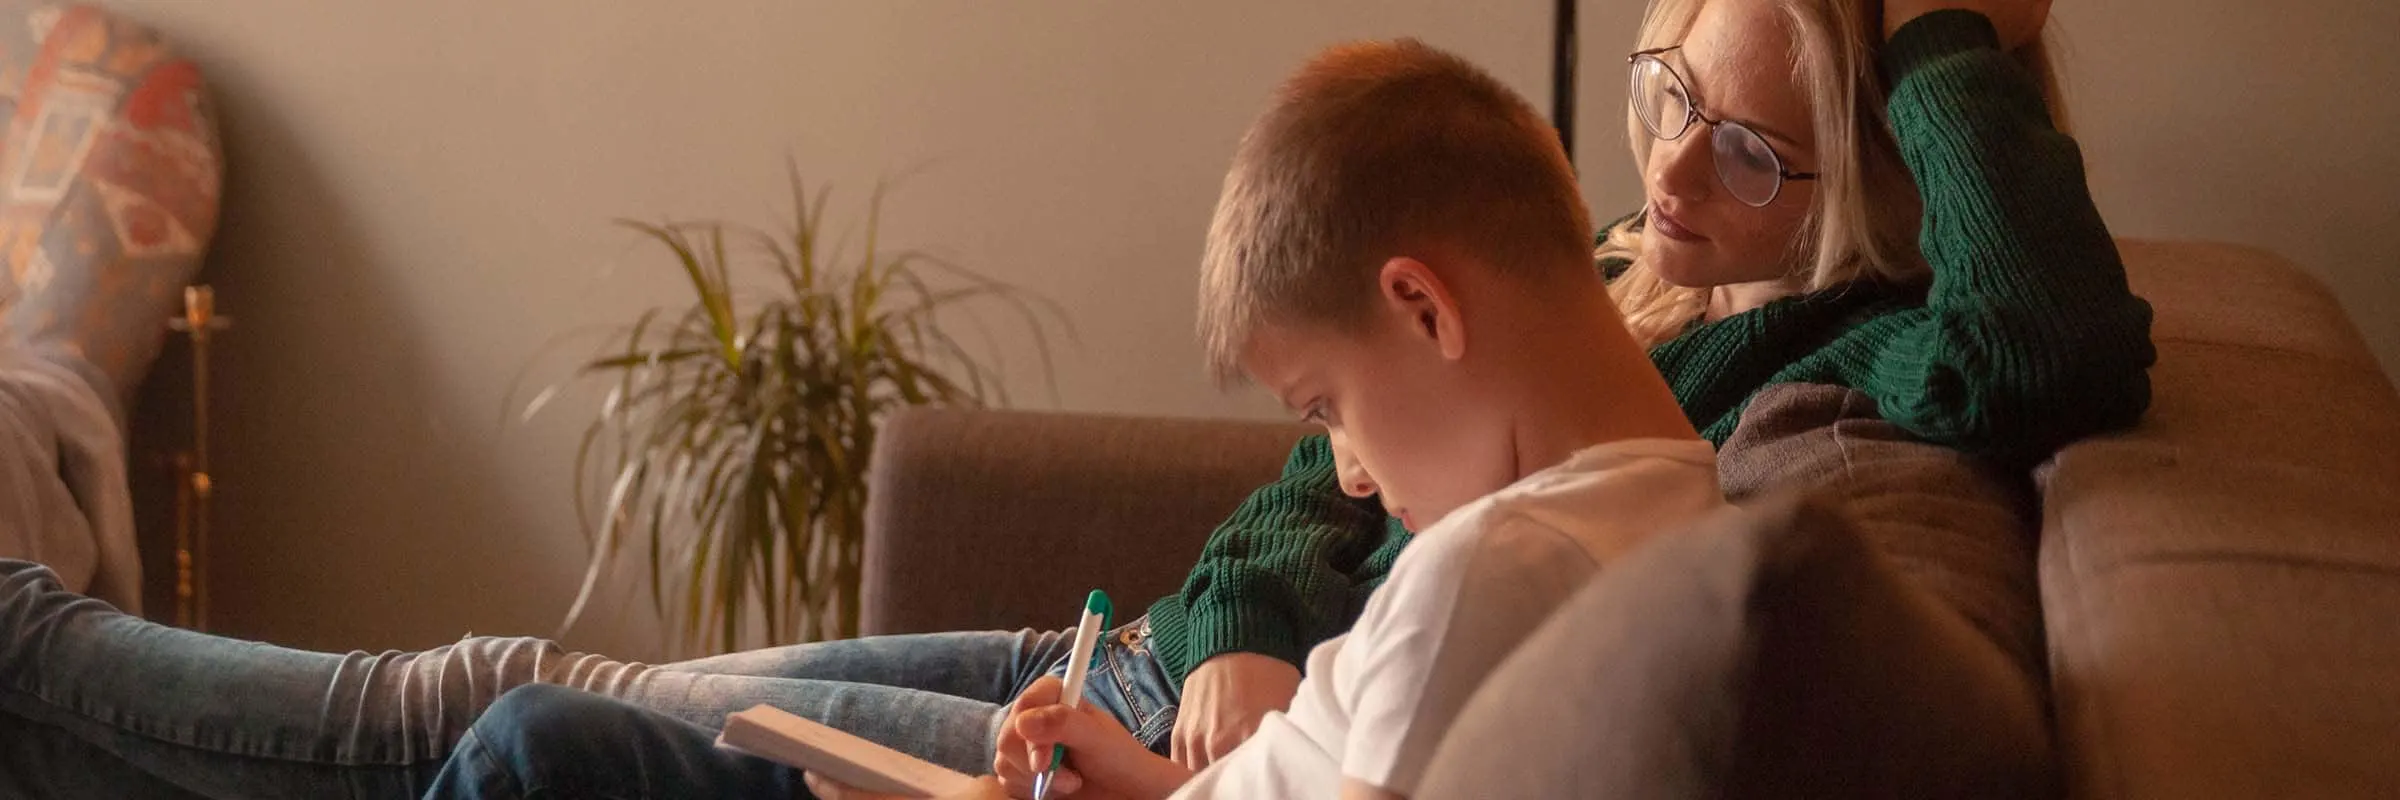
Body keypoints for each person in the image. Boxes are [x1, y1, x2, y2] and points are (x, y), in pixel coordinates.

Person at [0, 0, 2154, 792]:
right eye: (1671, 89)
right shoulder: (1572, 309)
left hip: (1155, 734)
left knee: (511, 703)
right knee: (518, 688)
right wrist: (1221, 646)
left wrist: (1948, 20)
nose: (1675, 167)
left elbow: (2052, 343)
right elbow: (1296, 520)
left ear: (1863, 185)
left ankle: (39, 662)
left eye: (1757, 148)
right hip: (1146, 683)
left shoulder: (1815, 365)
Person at [429, 35, 1726, 799]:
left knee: (527, 737)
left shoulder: (1494, 570)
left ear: (1423, 309)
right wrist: (1155, 783)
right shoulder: (1678, 509)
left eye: (1329, 408)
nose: (1355, 476)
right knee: (528, 725)